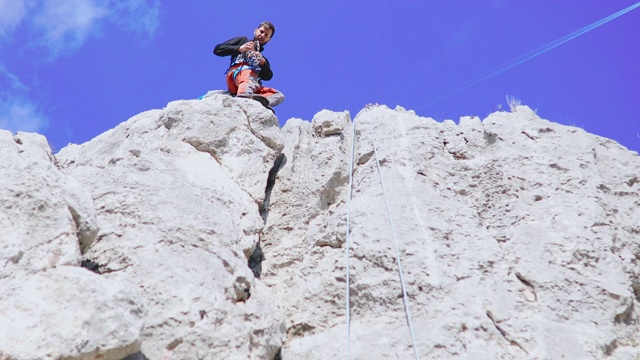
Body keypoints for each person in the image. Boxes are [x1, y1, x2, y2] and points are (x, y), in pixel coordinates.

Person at [214, 21, 284, 108]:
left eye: (266, 35)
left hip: (253, 85)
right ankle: (244, 96)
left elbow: (268, 76)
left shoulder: (262, 58)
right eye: (261, 32)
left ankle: (256, 101)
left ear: (269, 40)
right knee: (247, 73)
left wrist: (262, 63)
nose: (262, 35)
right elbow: (218, 49)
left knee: (278, 95)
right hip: (239, 74)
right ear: (255, 31)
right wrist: (239, 48)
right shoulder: (243, 41)